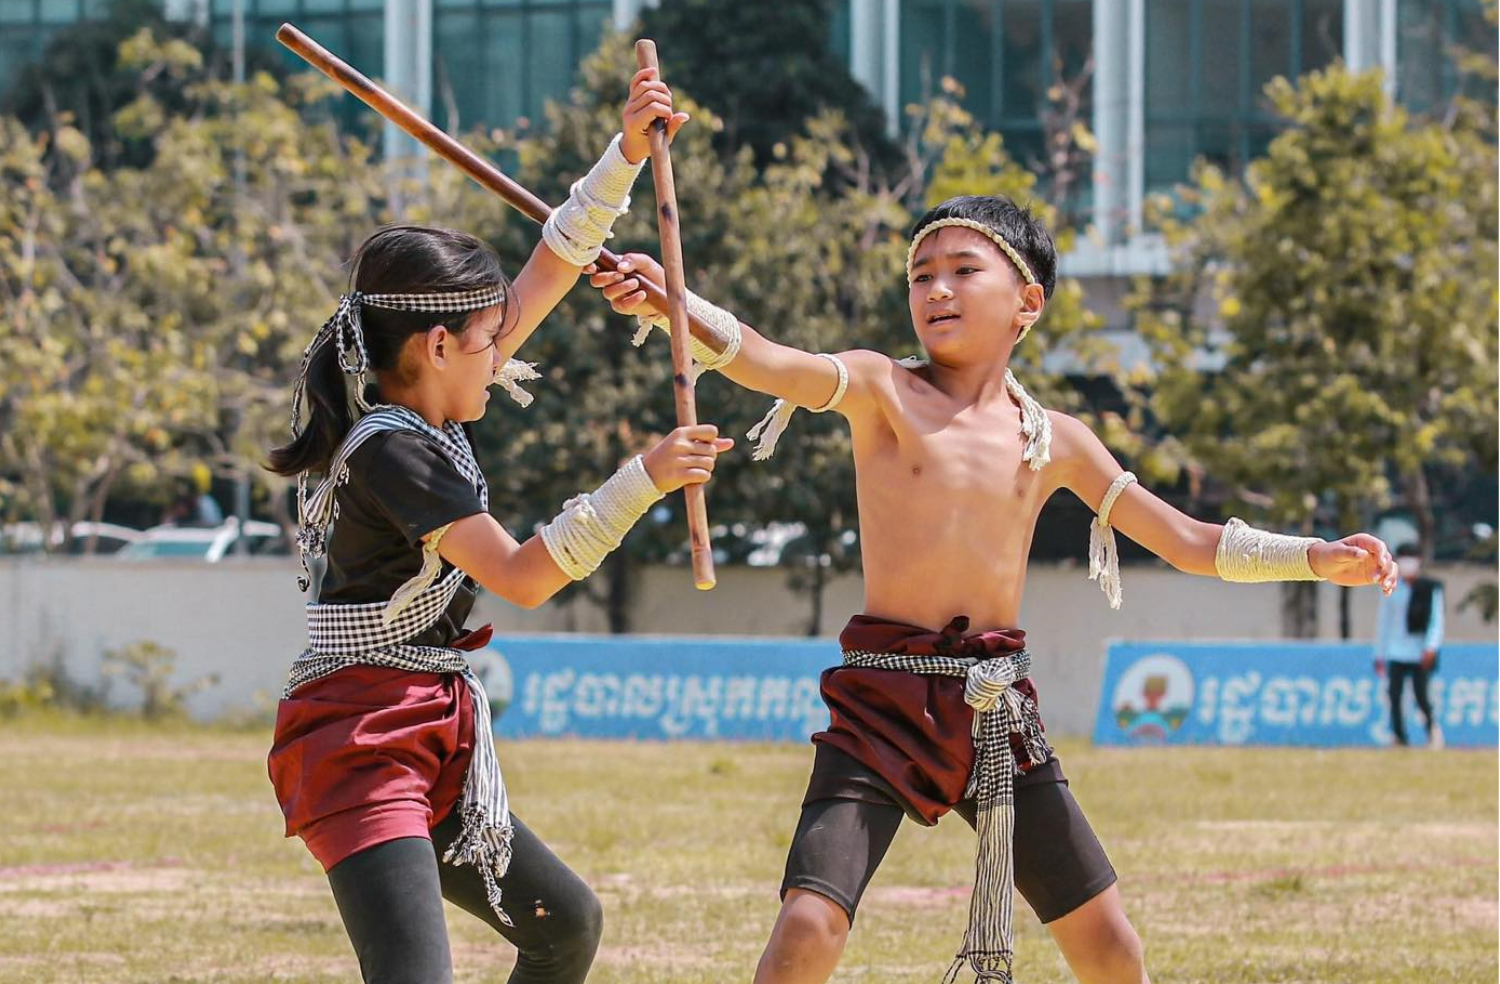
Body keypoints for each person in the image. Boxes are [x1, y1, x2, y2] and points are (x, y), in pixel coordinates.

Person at [590, 194, 1397, 984]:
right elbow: (764, 358)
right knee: (808, 927)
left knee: (1111, 947)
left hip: (998, 710)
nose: (935, 289)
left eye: (961, 269)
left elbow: (1187, 540)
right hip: (882, 705)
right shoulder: (881, 389)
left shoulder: (1056, 440)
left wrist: (1315, 554)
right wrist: (672, 303)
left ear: (1027, 302)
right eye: (919, 274)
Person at [264, 70, 725, 984]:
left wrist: (625, 152)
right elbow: (520, 574)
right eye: (489, 339)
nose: (502, 350)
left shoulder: (430, 399)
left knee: (564, 928)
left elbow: (553, 260)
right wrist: (642, 478)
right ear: (437, 345)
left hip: (427, 727)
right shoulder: (394, 451)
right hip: (357, 741)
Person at [1376, 542, 1445, 748]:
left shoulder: (1430, 588)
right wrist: (1379, 654)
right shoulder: (1391, 586)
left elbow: (1436, 620)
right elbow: (1384, 623)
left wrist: (1431, 647)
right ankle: (1399, 736)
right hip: (1396, 651)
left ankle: (1432, 730)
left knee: (1421, 695)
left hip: (1419, 651)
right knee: (1394, 695)